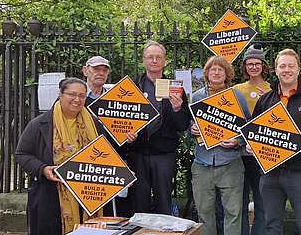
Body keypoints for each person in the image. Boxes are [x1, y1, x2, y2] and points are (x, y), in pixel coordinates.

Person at [15, 78, 137, 235]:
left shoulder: (95, 124)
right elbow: (22, 154)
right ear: (60, 94)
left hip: (89, 196)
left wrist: (122, 174)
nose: (77, 100)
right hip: (52, 196)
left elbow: (105, 155)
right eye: (72, 94)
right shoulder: (39, 124)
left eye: (82, 95)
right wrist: (43, 169)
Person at [247, 48, 301, 235]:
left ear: (298, 69)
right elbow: (254, 130)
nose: (286, 70)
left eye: (290, 66)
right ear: (275, 70)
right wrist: (252, 144)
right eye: (282, 66)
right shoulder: (265, 100)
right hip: (270, 173)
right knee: (271, 226)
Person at [190, 55, 251, 235]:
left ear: (227, 74)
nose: (216, 73)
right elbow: (189, 124)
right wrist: (192, 129)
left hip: (230, 163)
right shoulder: (196, 97)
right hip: (202, 162)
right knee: (204, 212)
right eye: (212, 69)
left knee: (233, 212)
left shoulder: (237, 97)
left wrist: (237, 141)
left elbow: (247, 128)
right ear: (207, 73)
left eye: (221, 69)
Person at [128, 41, 191, 214]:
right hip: (137, 152)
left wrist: (177, 109)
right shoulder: (133, 86)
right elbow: (122, 118)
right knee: (139, 202)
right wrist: (126, 132)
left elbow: (183, 125)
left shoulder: (175, 88)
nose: (154, 60)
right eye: (150, 57)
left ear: (164, 61)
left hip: (164, 154)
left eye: (158, 57)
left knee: (164, 201)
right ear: (143, 60)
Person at [82, 55, 133, 217]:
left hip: (113, 160)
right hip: (85, 162)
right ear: (85, 71)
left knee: (114, 211)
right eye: (96, 69)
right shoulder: (77, 96)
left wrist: (128, 139)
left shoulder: (116, 98)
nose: (101, 73)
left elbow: (123, 130)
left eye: (104, 70)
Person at [233, 43, 270, 235]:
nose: (253, 67)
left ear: (264, 66)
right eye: (250, 64)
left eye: (257, 63)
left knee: (262, 200)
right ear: (245, 67)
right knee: (239, 202)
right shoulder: (237, 89)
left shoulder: (273, 90)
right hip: (239, 153)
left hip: (263, 154)